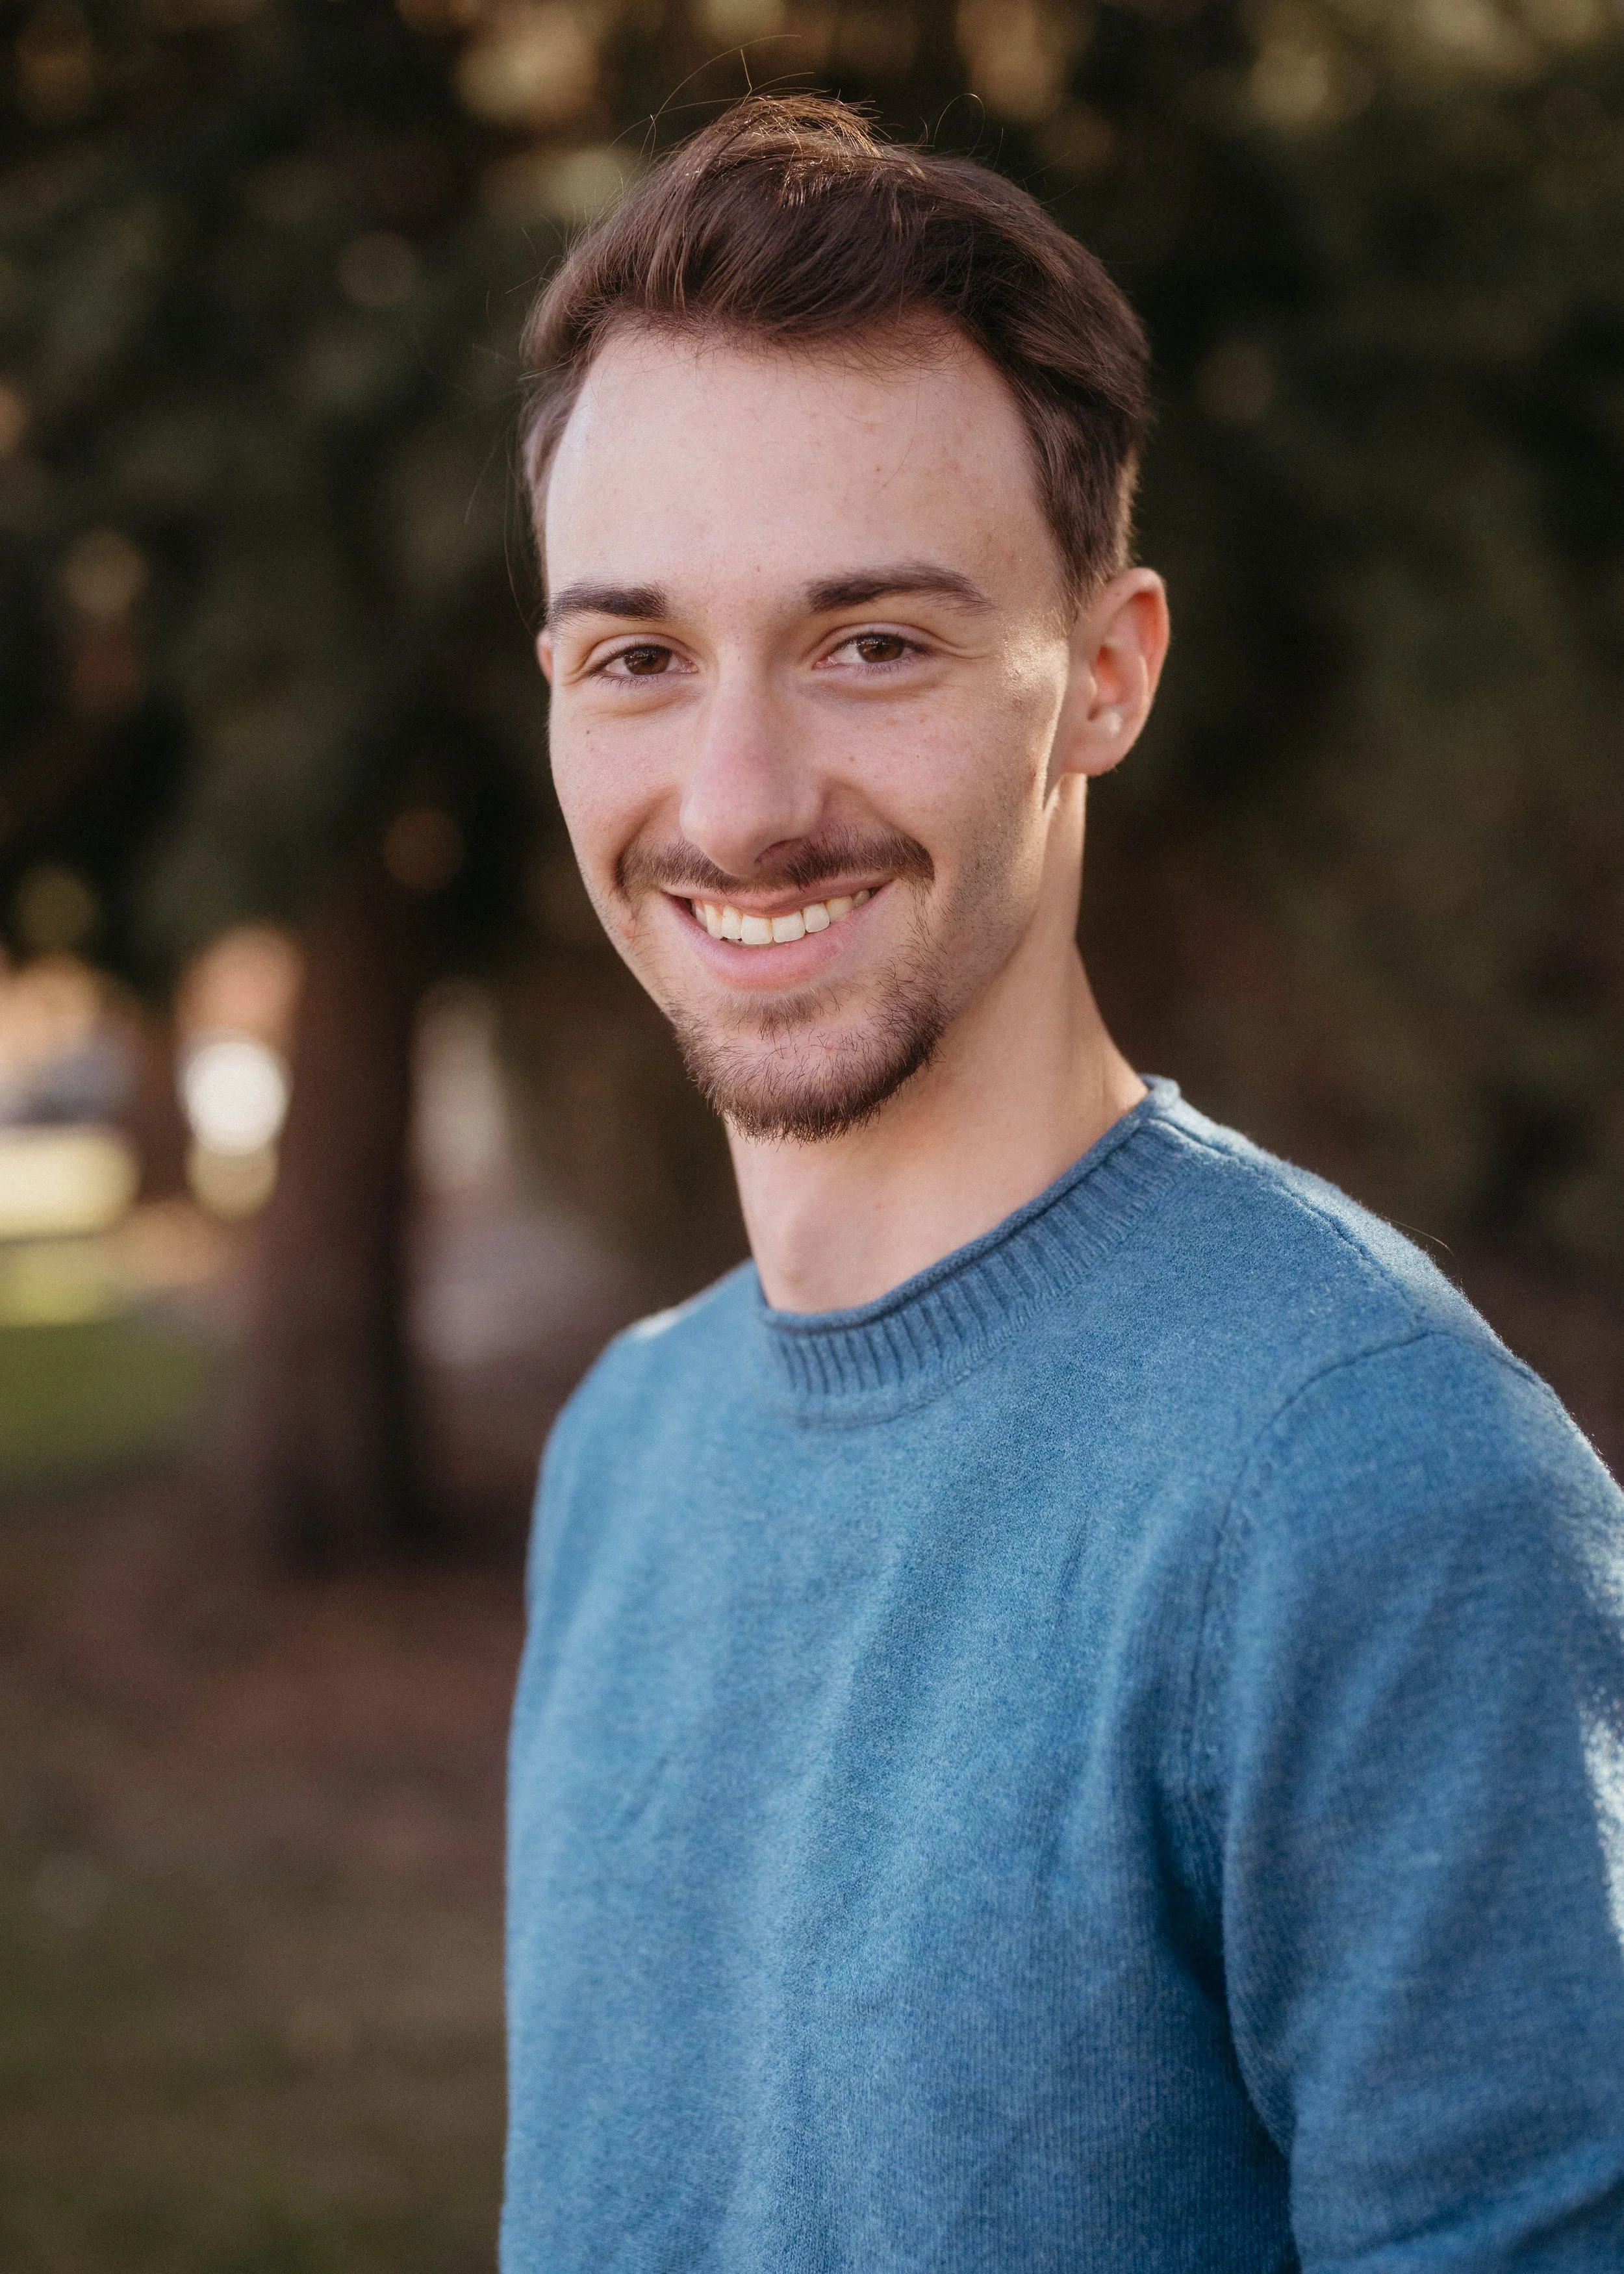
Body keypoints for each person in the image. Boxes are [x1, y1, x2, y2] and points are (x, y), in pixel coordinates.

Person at [502, 94, 1624, 2270]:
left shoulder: (1373, 1482)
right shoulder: (618, 1448)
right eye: (635, 655)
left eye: (873, 642)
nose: (733, 800)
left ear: (1101, 675)